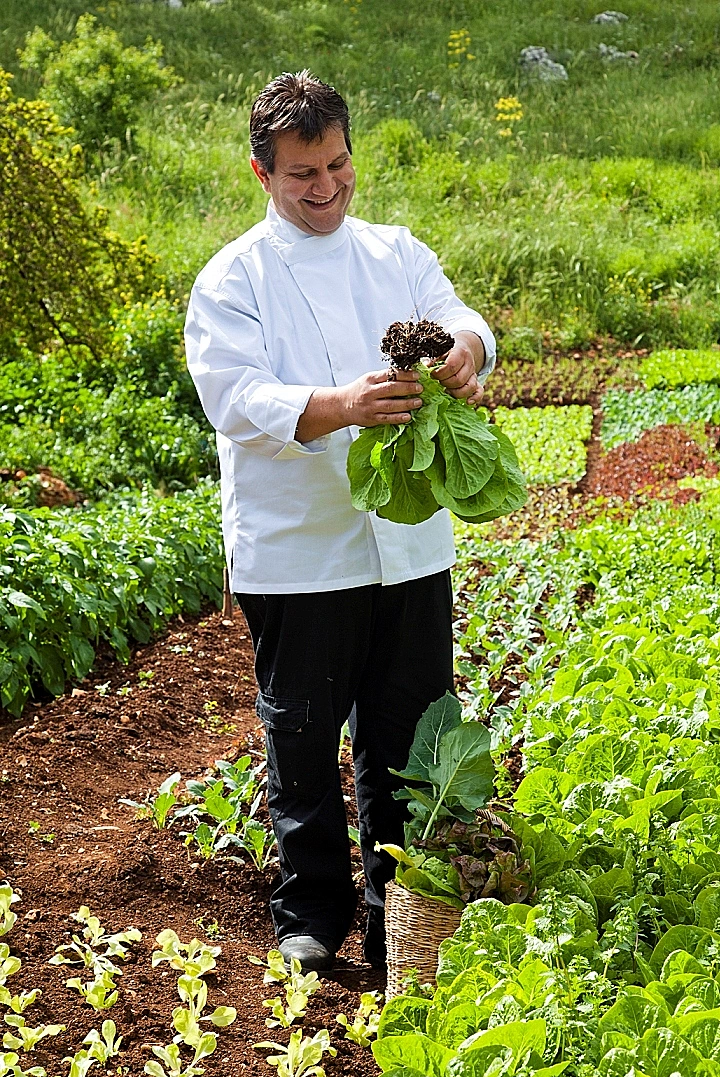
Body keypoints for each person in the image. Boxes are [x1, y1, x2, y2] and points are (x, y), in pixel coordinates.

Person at [184, 70, 495, 972]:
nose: (325, 189)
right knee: (305, 736)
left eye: (337, 165)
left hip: (407, 547)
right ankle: (310, 916)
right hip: (298, 553)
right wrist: (340, 404)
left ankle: (399, 918)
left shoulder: (394, 252)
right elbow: (236, 400)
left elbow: (457, 317)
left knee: (407, 736)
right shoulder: (233, 277)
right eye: (301, 175)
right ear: (260, 172)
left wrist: (465, 353)